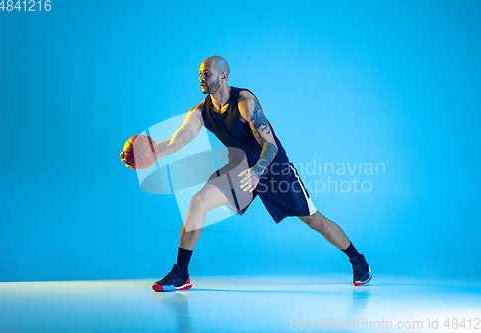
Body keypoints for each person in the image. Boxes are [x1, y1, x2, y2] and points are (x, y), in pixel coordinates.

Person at [120, 56, 371, 291]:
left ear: (224, 76)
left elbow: (270, 145)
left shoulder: (245, 102)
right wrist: (148, 152)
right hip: (239, 170)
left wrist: (258, 170)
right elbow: (176, 143)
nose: (202, 78)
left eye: (207, 73)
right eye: (200, 74)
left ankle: (357, 260)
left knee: (315, 220)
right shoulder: (200, 113)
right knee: (198, 202)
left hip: (273, 169)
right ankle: (181, 273)